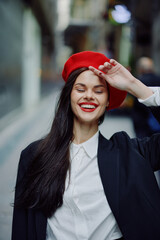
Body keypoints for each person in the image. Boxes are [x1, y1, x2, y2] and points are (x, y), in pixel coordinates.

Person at [12, 51, 160, 240]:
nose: (89, 96)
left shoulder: (130, 153)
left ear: (107, 101)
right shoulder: (33, 155)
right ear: (69, 96)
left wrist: (134, 85)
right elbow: (22, 229)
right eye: (80, 89)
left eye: (98, 91)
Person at [132, 57, 160, 138]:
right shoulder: (158, 79)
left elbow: (136, 103)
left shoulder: (138, 81)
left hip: (142, 121)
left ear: (140, 69)